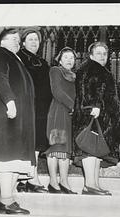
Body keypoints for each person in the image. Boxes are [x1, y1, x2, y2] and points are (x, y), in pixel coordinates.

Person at [0, 28, 35, 214]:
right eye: (14, 38)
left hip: (17, 117)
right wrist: (10, 101)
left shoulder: (15, 58)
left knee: (14, 159)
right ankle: (6, 200)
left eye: (19, 40)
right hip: (6, 114)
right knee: (7, 157)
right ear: (1, 41)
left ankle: (6, 200)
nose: (18, 42)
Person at [73, 42, 120, 196]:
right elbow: (85, 89)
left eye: (104, 54)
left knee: (95, 149)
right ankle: (89, 185)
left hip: (100, 116)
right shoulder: (88, 68)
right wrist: (92, 106)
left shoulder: (100, 70)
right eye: (99, 53)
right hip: (91, 115)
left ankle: (94, 184)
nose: (102, 56)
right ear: (91, 55)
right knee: (89, 150)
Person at [16, 28, 52, 193]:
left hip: (41, 109)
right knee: (27, 142)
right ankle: (30, 178)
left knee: (37, 143)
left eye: (36, 40)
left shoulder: (42, 61)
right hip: (27, 106)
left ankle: (26, 179)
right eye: (30, 39)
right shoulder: (19, 58)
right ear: (23, 42)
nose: (34, 42)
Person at [43, 47, 77, 194]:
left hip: (69, 114)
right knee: (56, 147)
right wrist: (73, 106)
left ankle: (64, 181)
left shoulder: (74, 76)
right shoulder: (56, 71)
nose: (69, 60)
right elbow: (57, 91)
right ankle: (53, 182)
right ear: (60, 59)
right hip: (58, 112)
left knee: (65, 149)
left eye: (72, 58)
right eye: (66, 57)